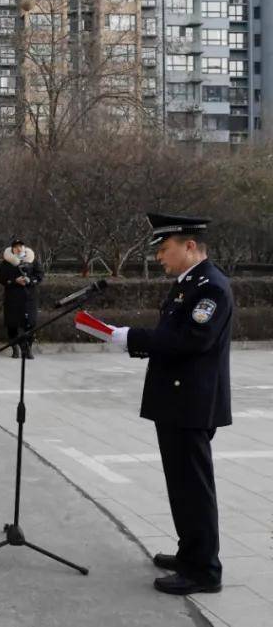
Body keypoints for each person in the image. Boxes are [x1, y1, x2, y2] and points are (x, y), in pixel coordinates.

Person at [105, 213, 231, 596]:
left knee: (194, 487)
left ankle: (204, 570)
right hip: (176, 400)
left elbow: (191, 341)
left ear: (190, 246)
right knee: (181, 484)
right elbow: (171, 336)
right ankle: (190, 552)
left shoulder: (211, 288)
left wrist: (132, 337)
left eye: (165, 249)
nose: (160, 256)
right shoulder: (187, 284)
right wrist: (136, 340)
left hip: (191, 402)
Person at [0, 239, 44, 359]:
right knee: (12, 325)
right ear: (12, 249)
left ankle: (28, 349)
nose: (18, 249)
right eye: (16, 247)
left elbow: (40, 274)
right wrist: (14, 281)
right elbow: (1, 278)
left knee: (31, 324)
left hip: (29, 298)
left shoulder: (32, 260)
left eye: (20, 246)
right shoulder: (7, 262)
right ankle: (15, 349)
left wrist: (31, 280)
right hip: (13, 299)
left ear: (24, 247)